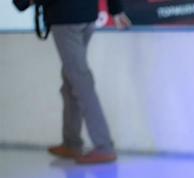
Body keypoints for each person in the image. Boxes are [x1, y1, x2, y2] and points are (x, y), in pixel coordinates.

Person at [14, 0, 132, 164]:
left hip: (67, 19)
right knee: (71, 81)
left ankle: (104, 146)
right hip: (87, 16)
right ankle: (71, 143)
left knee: (81, 82)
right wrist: (116, 9)